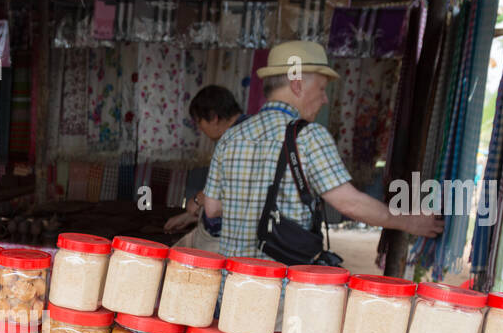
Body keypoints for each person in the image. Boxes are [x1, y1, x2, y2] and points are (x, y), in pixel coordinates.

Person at [165, 40, 442, 255]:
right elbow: (349, 203)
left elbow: (212, 209)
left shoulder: (230, 138)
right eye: (321, 89)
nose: (323, 99)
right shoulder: (309, 137)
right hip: (281, 287)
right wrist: (409, 222)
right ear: (296, 84)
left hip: (232, 283)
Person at [178, 85, 246, 238]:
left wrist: (197, 200)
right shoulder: (240, 133)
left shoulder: (235, 139)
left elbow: (232, 186)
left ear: (213, 117)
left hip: (229, 237)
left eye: (199, 122)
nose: (200, 129)